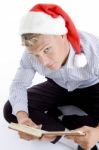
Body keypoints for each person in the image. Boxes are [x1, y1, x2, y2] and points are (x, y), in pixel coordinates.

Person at [3, 3, 99, 150]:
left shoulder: (93, 49)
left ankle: (74, 125)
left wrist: (97, 132)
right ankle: (65, 135)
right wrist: (23, 119)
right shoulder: (31, 54)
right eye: (35, 55)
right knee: (12, 110)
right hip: (58, 86)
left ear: (62, 35)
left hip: (92, 88)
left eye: (47, 49)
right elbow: (19, 85)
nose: (44, 62)